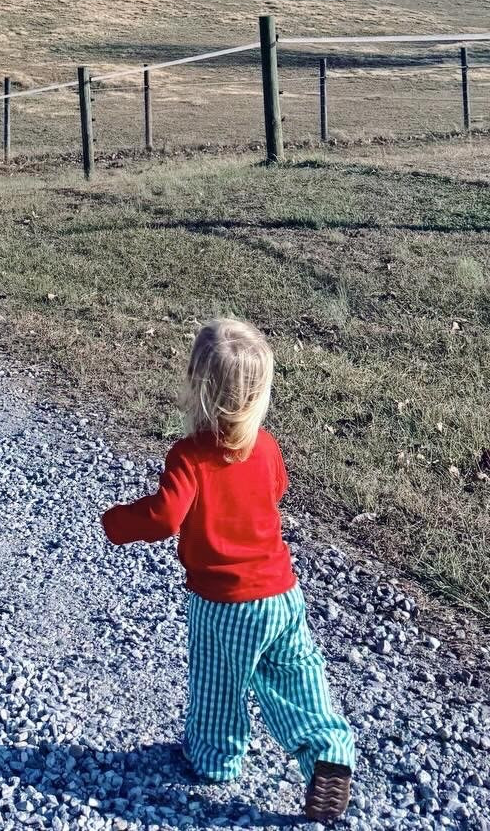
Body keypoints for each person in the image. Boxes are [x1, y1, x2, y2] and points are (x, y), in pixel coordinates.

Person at [101, 316, 354, 824]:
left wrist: (117, 522)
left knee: (219, 684)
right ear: (261, 393)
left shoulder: (189, 457)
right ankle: (328, 750)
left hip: (225, 603)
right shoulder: (267, 447)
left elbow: (166, 516)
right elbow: (275, 493)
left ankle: (214, 759)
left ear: (196, 384)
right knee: (296, 674)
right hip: (283, 593)